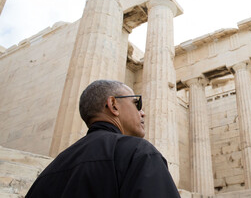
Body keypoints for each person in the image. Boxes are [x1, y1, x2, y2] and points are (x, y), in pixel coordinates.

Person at [26, 80, 180, 197]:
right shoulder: (138, 153)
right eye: (136, 103)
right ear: (113, 105)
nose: (142, 112)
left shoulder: (50, 171)